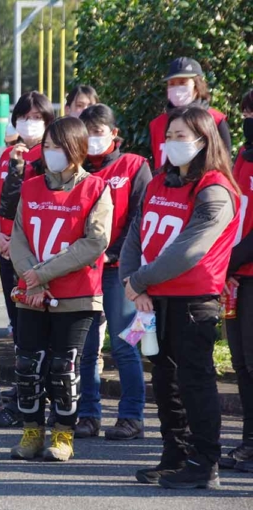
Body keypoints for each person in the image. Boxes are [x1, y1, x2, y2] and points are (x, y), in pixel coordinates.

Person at [121, 107, 239, 489]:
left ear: (204, 140)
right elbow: (136, 235)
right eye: (169, 135)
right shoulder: (159, 182)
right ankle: (174, 454)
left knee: (195, 382)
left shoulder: (215, 189)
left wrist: (139, 280)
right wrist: (133, 282)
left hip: (192, 301)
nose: (173, 143)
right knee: (164, 379)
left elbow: (187, 250)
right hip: (153, 300)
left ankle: (205, 463)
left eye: (182, 136)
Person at [8, 116, 113, 463]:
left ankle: (64, 434)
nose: (51, 153)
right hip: (31, 293)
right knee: (27, 366)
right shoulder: (31, 186)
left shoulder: (96, 188)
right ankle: (32, 432)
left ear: (77, 149)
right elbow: (19, 236)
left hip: (76, 295)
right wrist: (29, 277)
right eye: (48, 146)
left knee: (63, 368)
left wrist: (41, 275)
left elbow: (95, 242)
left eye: (59, 147)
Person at [75, 104, 151, 441]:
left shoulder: (135, 166)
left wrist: (114, 253)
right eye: (86, 132)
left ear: (114, 133)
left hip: (121, 272)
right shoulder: (75, 169)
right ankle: (88, 414)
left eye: (98, 132)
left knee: (125, 344)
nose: (92, 139)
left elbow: (140, 217)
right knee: (86, 346)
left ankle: (132, 416)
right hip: (82, 271)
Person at [0, 90, 54, 429]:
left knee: (37, 325)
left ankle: (43, 400)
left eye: (37, 117)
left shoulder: (50, 155)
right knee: (17, 324)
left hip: (34, 251)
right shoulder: (8, 155)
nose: (30, 123)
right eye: (24, 117)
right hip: (6, 248)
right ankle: (21, 397)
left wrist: (17, 242)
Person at [217, 90, 253, 473]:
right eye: (245, 112)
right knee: (241, 364)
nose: (248, 118)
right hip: (235, 276)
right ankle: (248, 441)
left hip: (244, 270)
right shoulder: (241, 157)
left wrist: (228, 262)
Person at [149, 57, 233, 169]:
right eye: (172, 84)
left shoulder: (215, 120)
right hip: (165, 185)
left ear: (197, 86)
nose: (177, 88)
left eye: (183, 82)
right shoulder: (157, 124)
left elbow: (226, 164)